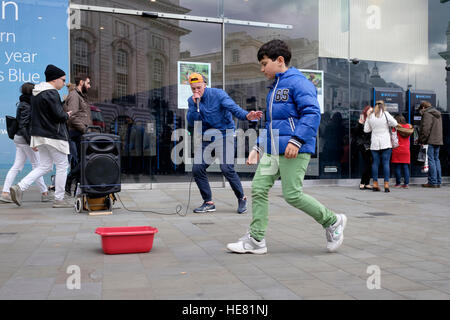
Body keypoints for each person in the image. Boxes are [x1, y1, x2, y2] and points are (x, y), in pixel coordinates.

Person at [226, 39, 347, 254]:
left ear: (279, 60)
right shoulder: (275, 88)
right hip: (273, 150)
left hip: (294, 149)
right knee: (259, 188)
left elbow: (312, 113)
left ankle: (332, 221)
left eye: (264, 64)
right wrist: (258, 148)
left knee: (292, 195)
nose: (262, 69)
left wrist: (296, 140)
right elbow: (273, 124)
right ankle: (256, 240)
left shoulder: (299, 83)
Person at [186, 72, 262, 214]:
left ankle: (241, 198)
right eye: (193, 88)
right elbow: (192, 120)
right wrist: (196, 105)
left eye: (199, 88)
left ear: (205, 85)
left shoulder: (218, 94)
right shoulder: (192, 101)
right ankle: (208, 202)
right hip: (207, 137)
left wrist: (247, 115)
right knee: (197, 168)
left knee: (226, 168)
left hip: (225, 134)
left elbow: (233, 108)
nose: (196, 91)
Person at [9, 64, 73, 208]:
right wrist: (66, 115)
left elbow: (44, 114)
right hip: (54, 135)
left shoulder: (36, 93)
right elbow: (58, 115)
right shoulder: (51, 93)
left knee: (44, 166)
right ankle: (59, 199)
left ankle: (19, 187)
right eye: (63, 80)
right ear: (55, 79)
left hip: (39, 135)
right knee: (63, 165)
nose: (64, 83)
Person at [0, 83, 51, 203]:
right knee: (38, 166)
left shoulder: (24, 103)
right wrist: (32, 143)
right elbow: (24, 126)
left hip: (19, 139)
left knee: (17, 166)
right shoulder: (27, 105)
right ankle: (44, 193)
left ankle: (5, 192)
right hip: (25, 140)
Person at [64, 75, 92, 195]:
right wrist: (85, 130)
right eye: (88, 83)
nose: (89, 86)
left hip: (81, 132)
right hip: (78, 132)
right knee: (86, 160)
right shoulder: (74, 95)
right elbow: (72, 117)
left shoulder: (81, 96)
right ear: (81, 82)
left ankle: (79, 187)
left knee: (84, 160)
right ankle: (70, 179)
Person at [364, 100, 398, 192]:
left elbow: (366, 130)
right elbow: (395, 123)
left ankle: (375, 184)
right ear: (384, 106)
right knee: (386, 163)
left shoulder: (370, 116)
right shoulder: (386, 114)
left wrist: (369, 121)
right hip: (386, 143)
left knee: (375, 163)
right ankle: (386, 185)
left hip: (375, 143)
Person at [418, 101, 443, 188]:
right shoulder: (437, 114)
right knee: (436, 160)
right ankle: (438, 181)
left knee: (431, 160)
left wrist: (422, 140)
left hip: (430, 141)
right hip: (438, 140)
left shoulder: (427, 114)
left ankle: (432, 182)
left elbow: (425, 129)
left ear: (423, 107)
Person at [352, 106, 373, 190]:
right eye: (369, 111)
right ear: (366, 111)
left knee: (370, 164)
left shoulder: (373, 120)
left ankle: (366, 183)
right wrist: (360, 124)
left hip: (372, 144)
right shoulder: (362, 120)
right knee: (368, 164)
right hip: (363, 145)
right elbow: (355, 133)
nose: (371, 113)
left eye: (372, 111)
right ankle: (363, 182)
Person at [391, 114, 413, 189]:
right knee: (405, 167)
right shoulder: (408, 127)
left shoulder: (395, 128)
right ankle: (406, 184)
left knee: (397, 167)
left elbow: (393, 138)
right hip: (406, 150)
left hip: (397, 149)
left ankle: (398, 183)